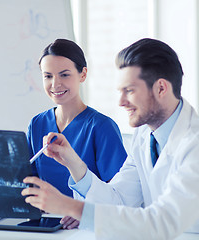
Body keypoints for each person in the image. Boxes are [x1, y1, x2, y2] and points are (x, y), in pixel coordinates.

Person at [22, 38, 199, 239]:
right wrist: (73, 162)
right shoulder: (144, 135)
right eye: (120, 91)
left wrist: (68, 205)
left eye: (129, 91)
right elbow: (118, 200)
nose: (121, 102)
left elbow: (164, 222)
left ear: (161, 88)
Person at [27, 39, 127, 228]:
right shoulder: (37, 124)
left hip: (86, 225)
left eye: (64, 75)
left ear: (83, 74)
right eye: (48, 76)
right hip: (45, 224)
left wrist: (83, 210)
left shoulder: (102, 127)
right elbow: (28, 183)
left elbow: (118, 195)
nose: (55, 84)